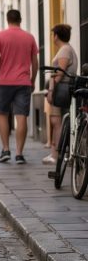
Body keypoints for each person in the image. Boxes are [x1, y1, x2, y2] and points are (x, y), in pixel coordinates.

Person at [0, 9, 39, 164]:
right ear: (20, 19)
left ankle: (5, 150)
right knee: (21, 117)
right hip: (23, 82)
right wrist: (32, 80)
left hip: (4, 82)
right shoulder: (29, 37)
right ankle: (19, 154)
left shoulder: (0, 36)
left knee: (3, 114)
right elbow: (35, 62)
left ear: (7, 20)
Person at [44, 24, 77, 165]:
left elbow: (60, 73)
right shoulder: (67, 49)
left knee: (56, 122)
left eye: (53, 34)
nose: (52, 37)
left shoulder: (64, 50)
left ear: (56, 36)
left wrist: (51, 90)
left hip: (61, 88)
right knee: (60, 121)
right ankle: (59, 152)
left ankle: (55, 154)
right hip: (63, 88)